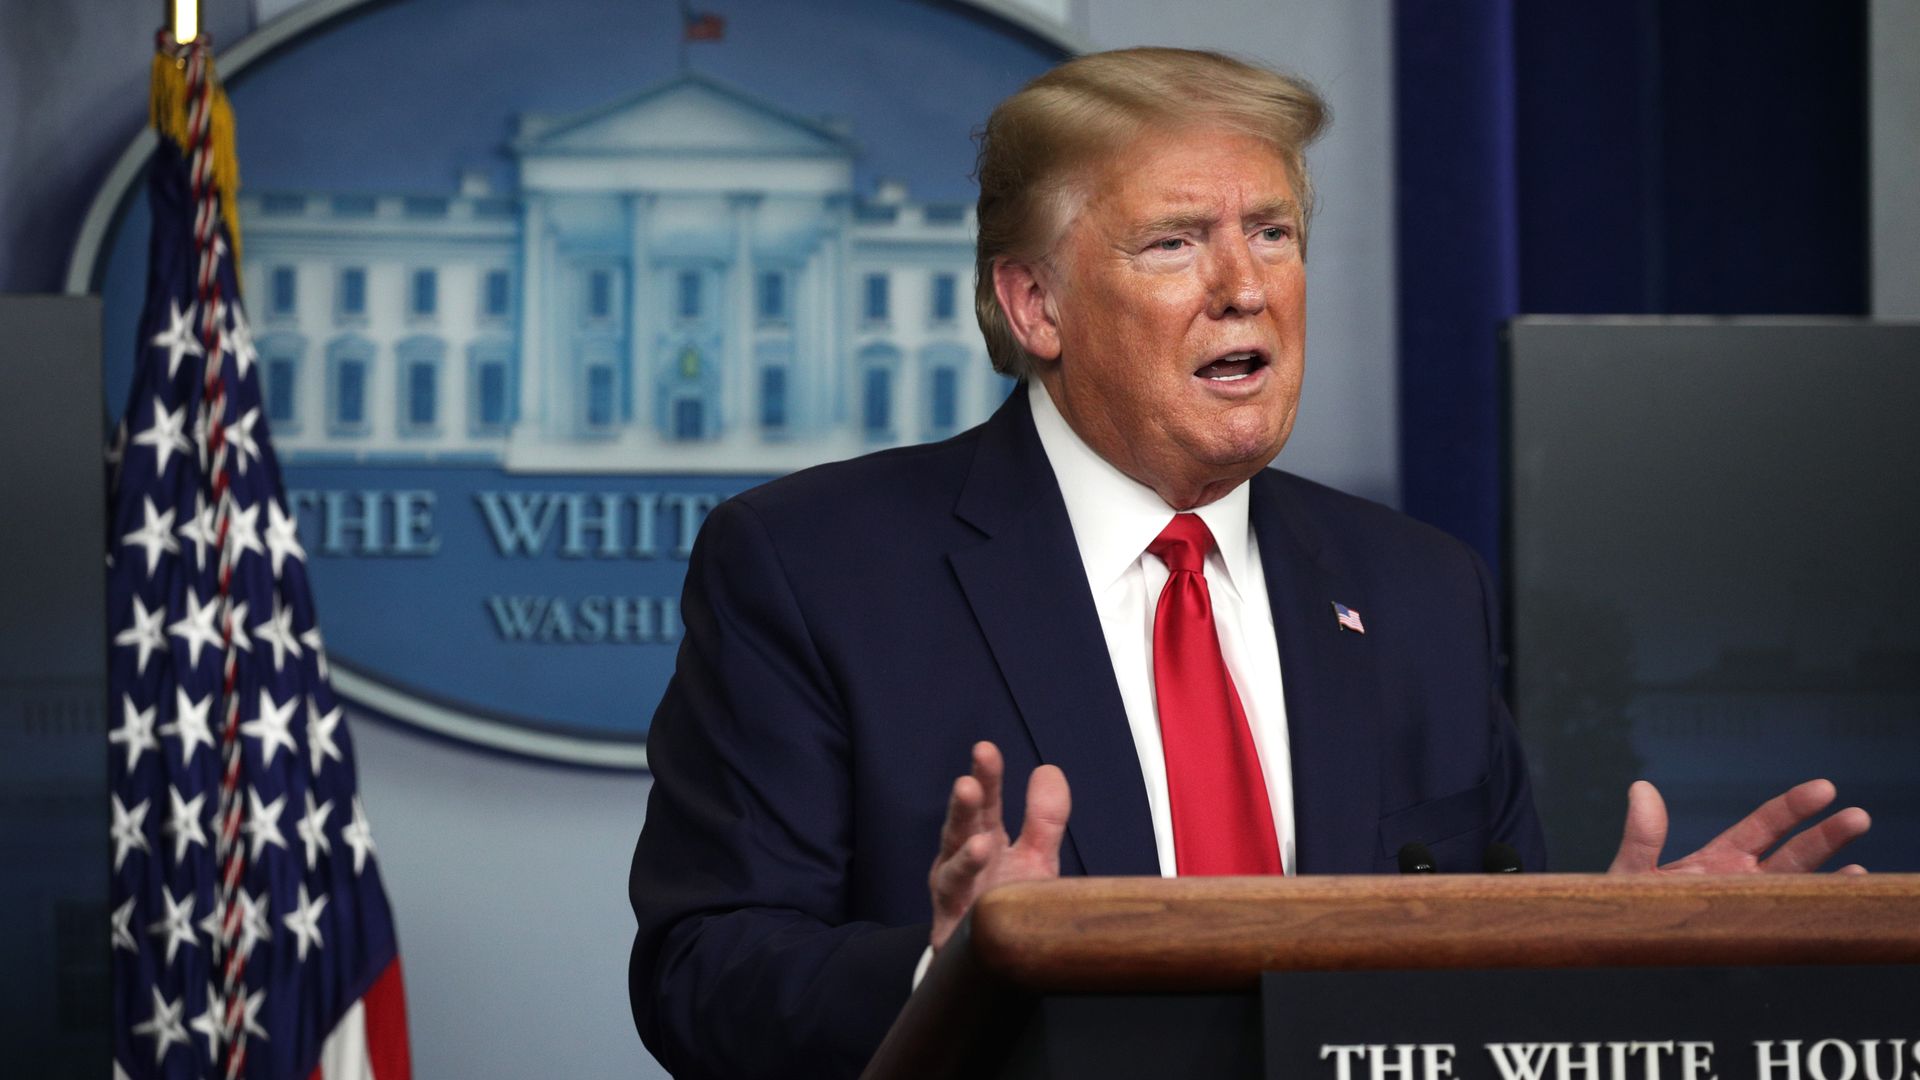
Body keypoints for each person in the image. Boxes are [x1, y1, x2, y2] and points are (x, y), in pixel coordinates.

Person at [627, 48, 1870, 1080]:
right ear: (1034, 306)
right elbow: (701, 978)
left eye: (1272, 232)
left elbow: (1465, 998)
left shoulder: (1417, 589)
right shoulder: (811, 567)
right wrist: (945, 966)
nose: (1244, 288)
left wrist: (1604, 960)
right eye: (1175, 243)